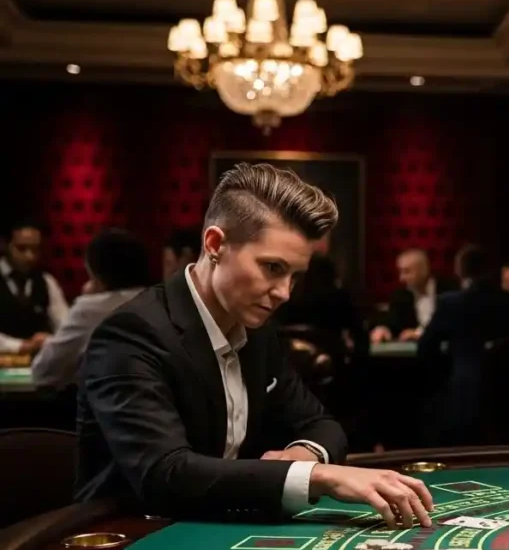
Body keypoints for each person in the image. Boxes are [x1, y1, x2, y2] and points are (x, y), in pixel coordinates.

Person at [75, 163, 433, 528]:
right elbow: (165, 474)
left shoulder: (256, 329)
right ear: (215, 244)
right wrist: (317, 476)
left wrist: (303, 453)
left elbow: (320, 424)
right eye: (273, 268)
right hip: (126, 538)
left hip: (216, 528)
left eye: (295, 275)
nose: (284, 293)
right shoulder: (131, 333)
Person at [418, 245, 509, 445]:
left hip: (462, 394)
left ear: (459, 270)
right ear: (491, 269)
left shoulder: (450, 302)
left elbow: (425, 348)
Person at [31, 228, 150, 390]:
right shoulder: (160, 301)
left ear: (99, 275)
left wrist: (91, 299)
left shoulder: (91, 308)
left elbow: (43, 373)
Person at [0, 220, 69, 354]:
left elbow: (65, 324)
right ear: (4, 245)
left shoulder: (46, 281)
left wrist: (51, 340)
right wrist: (21, 346)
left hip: (37, 365)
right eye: (21, 248)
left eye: (35, 249)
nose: (30, 256)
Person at [370, 248, 456, 344]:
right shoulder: (401, 295)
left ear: (424, 270)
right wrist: (383, 328)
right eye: (400, 272)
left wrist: (420, 333)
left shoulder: (449, 289)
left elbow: (455, 325)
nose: (401, 278)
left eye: (407, 272)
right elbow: (392, 321)